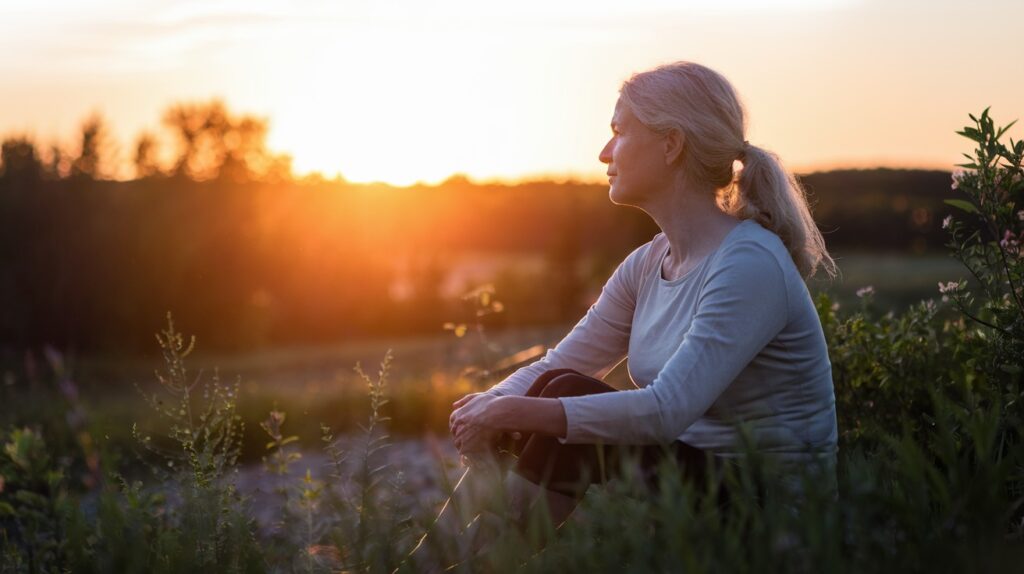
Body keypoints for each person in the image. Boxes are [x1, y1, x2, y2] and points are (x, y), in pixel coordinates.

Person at [430, 60, 838, 565]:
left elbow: (666, 410)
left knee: (556, 401)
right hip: (689, 486)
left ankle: (475, 565)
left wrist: (509, 411)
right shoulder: (650, 262)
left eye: (619, 132)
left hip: (774, 517)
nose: (604, 152)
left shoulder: (749, 263)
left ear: (671, 145)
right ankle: (436, 560)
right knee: (548, 391)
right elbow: (564, 362)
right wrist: (484, 407)